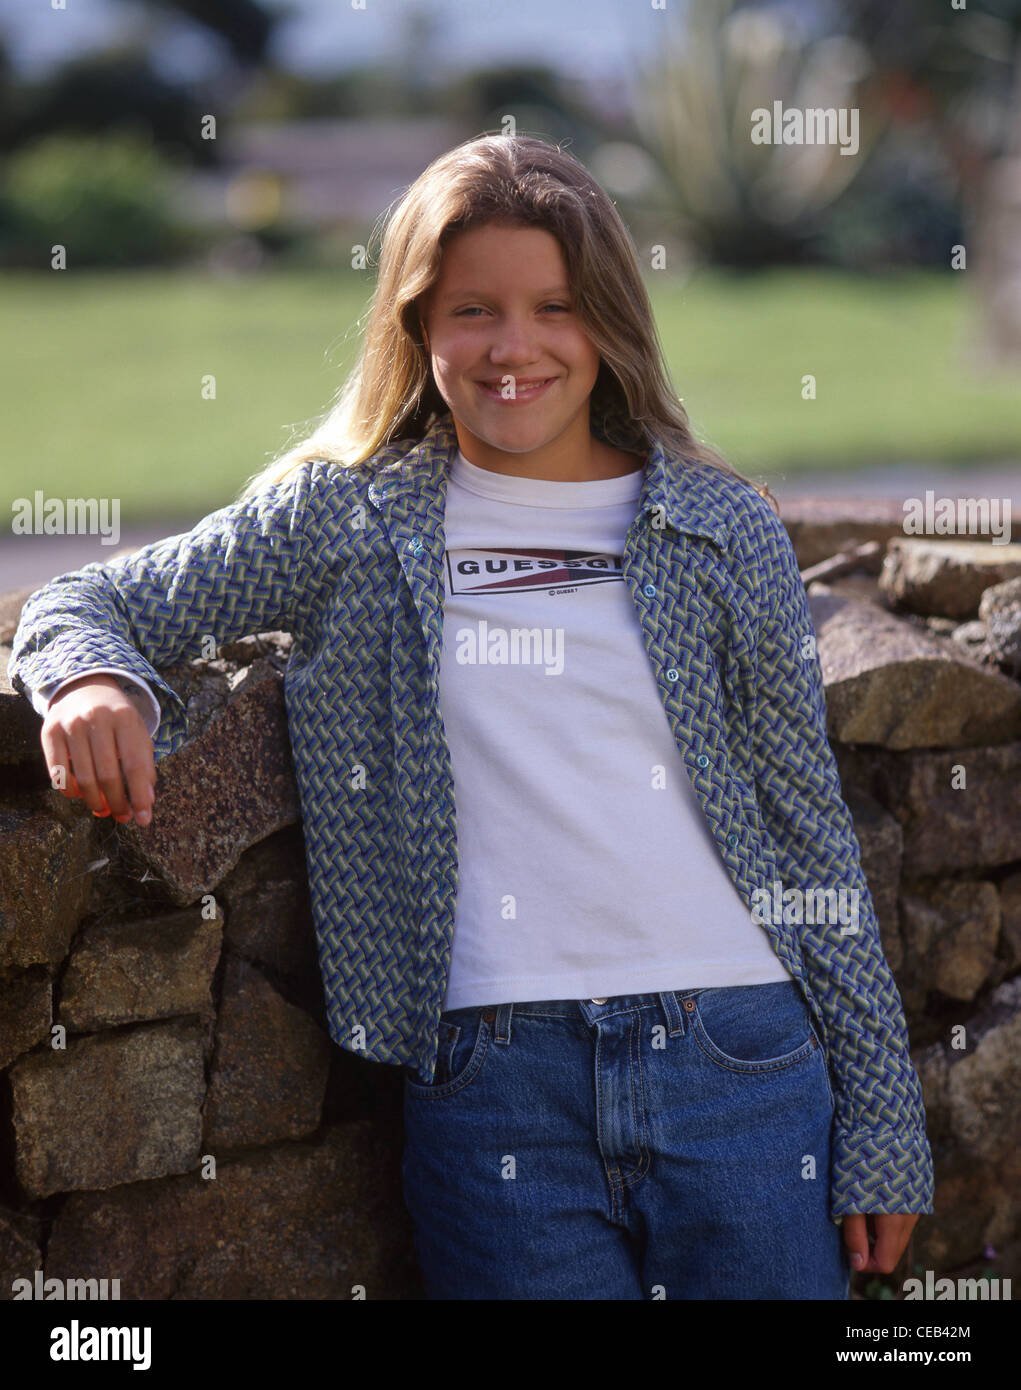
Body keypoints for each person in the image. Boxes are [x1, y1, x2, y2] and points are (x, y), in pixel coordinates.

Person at [9, 132, 934, 1300]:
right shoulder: (343, 519)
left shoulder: (719, 529)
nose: (514, 347)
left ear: (607, 320)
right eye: (471, 310)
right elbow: (88, 597)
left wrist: (884, 1126)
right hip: (492, 1083)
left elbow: (809, 833)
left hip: (741, 1064)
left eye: (555, 306)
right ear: (415, 326)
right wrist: (93, 681)